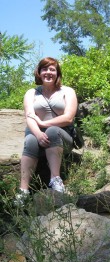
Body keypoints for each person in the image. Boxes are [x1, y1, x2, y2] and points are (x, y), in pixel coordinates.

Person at [15, 57, 78, 204]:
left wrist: (43, 123)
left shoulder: (67, 91)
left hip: (61, 137)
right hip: (37, 135)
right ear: (39, 72)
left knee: (52, 131)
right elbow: (30, 116)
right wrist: (37, 133)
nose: (48, 72)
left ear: (57, 73)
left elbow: (68, 118)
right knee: (30, 139)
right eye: (45, 69)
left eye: (52, 69)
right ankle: (23, 191)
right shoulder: (31, 93)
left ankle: (55, 180)